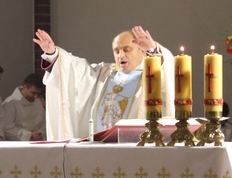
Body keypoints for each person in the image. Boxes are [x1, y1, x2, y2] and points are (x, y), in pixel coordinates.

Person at [33, 26, 175, 140]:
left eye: (126, 49)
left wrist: (154, 50)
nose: (121, 55)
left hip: (135, 148)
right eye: (116, 51)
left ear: (141, 51)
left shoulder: (151, 74)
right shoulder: (104, 73)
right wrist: (52, 53)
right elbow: (73, 71)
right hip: (101, 147)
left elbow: (167, 70)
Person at [2, 73, 46, 141]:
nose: (35, 96)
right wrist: (29, 135)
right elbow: (7, 128)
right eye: (33, 93)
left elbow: (44, 122)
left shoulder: (37, 101)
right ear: (25, 86)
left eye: (38, 94)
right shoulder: (11, 103)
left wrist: (39, 133)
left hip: (38, 142)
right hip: (19, 145)